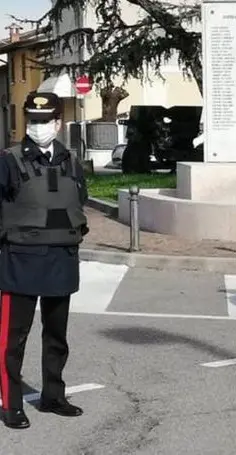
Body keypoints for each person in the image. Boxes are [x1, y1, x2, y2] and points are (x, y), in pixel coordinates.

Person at [0, 92, 89, 430]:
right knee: (12, 339)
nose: (39, 127)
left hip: (61, 259)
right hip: (20, 261)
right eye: (33, 121)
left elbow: (77, 201)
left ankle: (53, 396)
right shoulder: (8, 161)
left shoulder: (71, 160)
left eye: (46, 121)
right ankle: (11, 405)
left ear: (58, 123)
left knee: (56, 336)